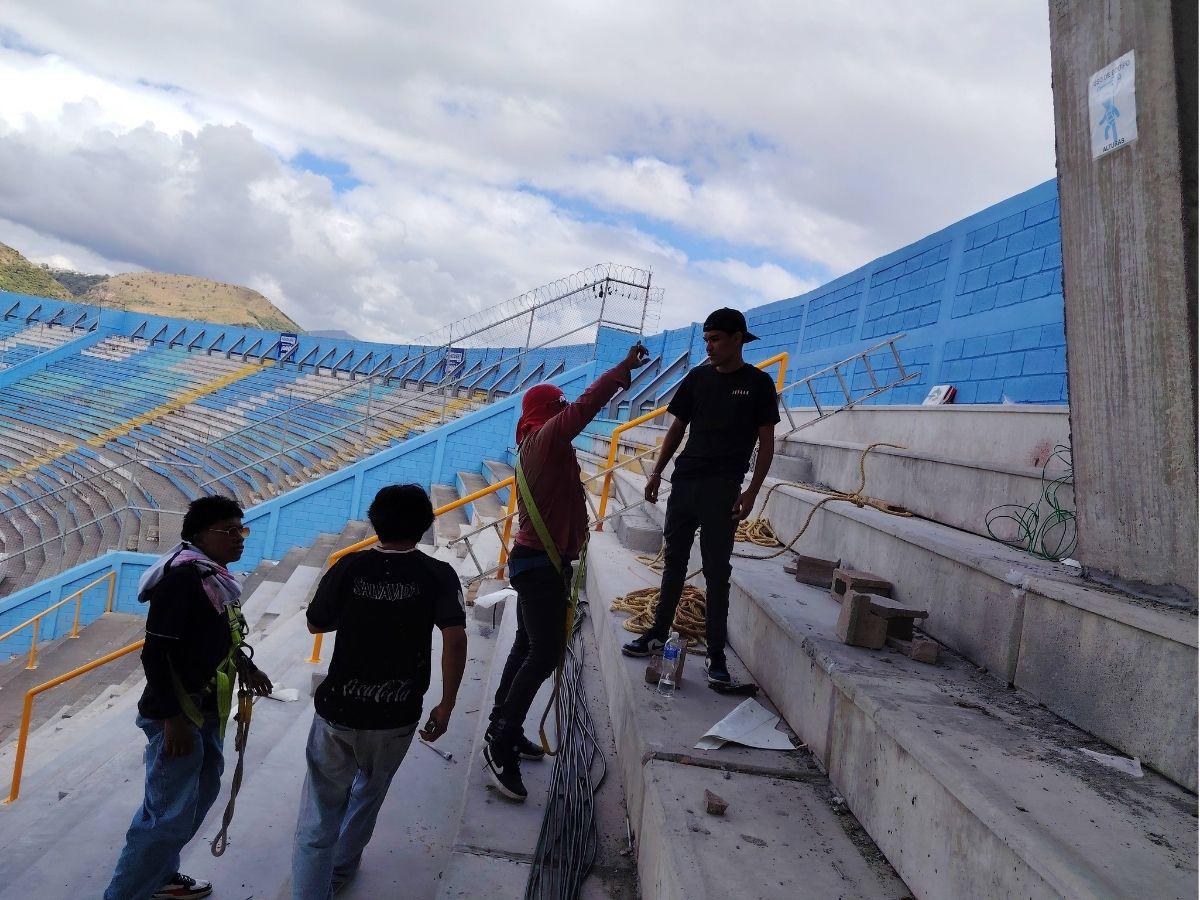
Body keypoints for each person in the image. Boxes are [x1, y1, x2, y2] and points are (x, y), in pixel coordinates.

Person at [484, 341, 650, 801]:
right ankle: (501, 739)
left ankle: (504, 721)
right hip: (539, 566)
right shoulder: (545, 440)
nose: (563, 415)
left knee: (527, 646)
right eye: (556, 409)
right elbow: (585, 406)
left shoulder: (537, 444)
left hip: (540, 564)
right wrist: (621, 368)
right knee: (545, 654)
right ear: (547, 413)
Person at [292, 484, 467, 898]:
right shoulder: (438, 574)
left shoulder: (348, 566)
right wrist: (446, 705)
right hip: (397, 715)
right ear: (427, 524)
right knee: (369, 793)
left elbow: (316, 623)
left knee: (319, 811)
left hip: (338, 711)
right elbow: (455, 637)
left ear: (375, 521)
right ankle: (341, 867)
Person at [106, 495, 273, 900]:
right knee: (165, 816)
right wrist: (172, 719)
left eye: (241, 530)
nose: (239, 539)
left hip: (205, 710)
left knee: (200, 793)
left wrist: (246, 667)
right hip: (180, 716)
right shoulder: (184, 582)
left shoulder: (213, 577)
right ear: (200, 535)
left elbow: (218, 636)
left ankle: (161, 875)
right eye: (228, 532)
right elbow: (155, 653)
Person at [621, 308, 779, 685]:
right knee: (673, 562)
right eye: (706, 339)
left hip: (723, 489)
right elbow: (677, 427)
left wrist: (752, 492)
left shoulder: (758, 383)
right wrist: (658, 471)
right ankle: (657, 633)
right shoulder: (697, 378)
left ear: (737, 338)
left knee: (716, 571)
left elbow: (767, 443)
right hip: (685, 482)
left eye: (716, 339)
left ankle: (715, 654)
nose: (709, 346)